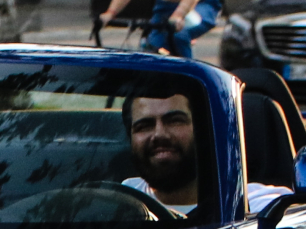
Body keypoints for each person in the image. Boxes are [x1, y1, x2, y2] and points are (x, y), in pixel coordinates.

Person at [118, 89, 289, 221]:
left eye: (175, 120)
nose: (159, 134)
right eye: (144, 126)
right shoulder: (121, 200)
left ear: (203, 130)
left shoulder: (256, 206)